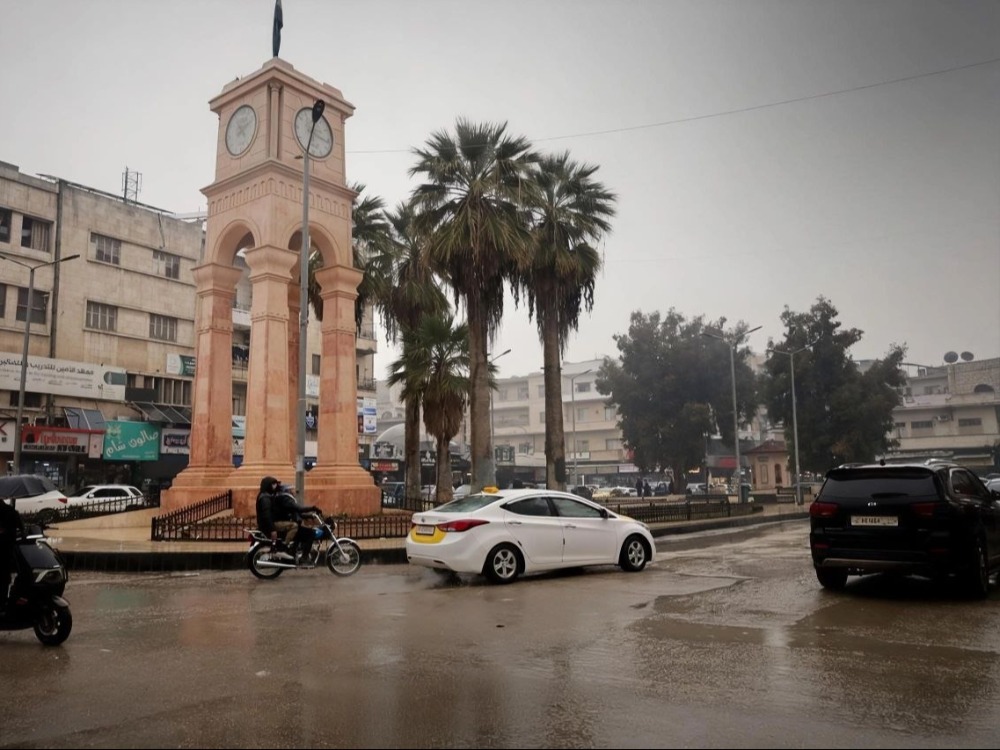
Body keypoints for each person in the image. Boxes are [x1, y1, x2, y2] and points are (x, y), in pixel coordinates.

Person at [255, 476, 319, 561]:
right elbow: (267, 515)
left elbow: (293, 512)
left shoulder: (269, 496)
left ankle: (295, 550)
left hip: (270, 524)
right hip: (269, 525)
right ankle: (284, 547)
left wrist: (308, 516)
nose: (275, 486)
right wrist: (272, 529)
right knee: (294, 526)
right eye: (273, 484)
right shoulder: (266, 498)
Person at [0, 498, 24, 602]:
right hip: (9, 550)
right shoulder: (12, 511)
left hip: (4, 548)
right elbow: (21, 528)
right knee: (4, 577)